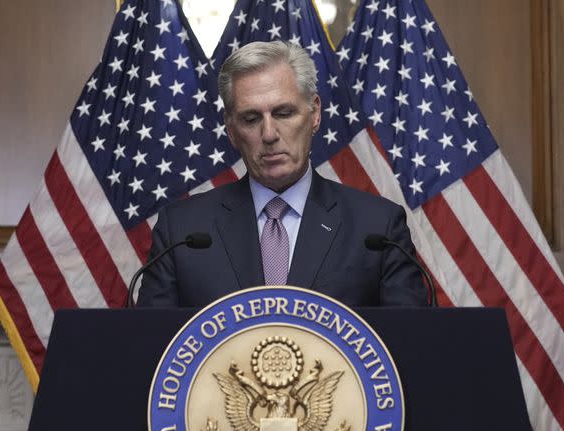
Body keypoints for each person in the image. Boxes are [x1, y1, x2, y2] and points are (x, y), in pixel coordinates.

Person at [137, 41, 426, 308]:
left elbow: (407, 349)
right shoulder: (182, 231)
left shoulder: (378, 228)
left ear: (314, 114)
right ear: (231, 130)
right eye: (251, 119)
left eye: (283, 113)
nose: (269, 134)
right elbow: (151, 350)